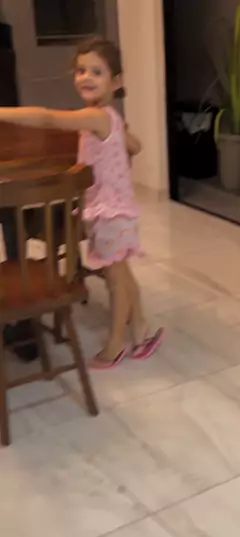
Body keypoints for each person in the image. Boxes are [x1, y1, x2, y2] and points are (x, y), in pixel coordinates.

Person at [0, 35, 164, 369]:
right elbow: (135, 145)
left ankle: (115, 345)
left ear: (116, 81)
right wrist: (126, 143)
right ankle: (140, 330)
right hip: (115, 211)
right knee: (122, 272)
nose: (86, 77)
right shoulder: (107, 117)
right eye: (80, 70)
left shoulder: (96, 118)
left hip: (110, 213)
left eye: (96, 72)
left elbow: (47, 117)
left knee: (115, 280)